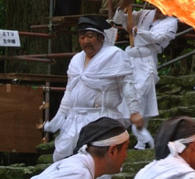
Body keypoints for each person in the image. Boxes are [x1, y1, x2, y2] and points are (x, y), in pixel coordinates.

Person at [44, 16, 143, 162]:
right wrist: (61, 115)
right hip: (75, 117)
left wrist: (134, 111)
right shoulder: (76, 59)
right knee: (61, 155)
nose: (86, 41)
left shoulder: (114, 55)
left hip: (101, 116)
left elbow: (127, 84)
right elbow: (70, 90)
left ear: (101, 38)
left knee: (95, 159)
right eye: (82, 37)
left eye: (90, 36)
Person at [114, 0, 178, 150]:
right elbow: (120, 19)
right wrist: (123, 5)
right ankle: (119, 134)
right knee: (123, 94)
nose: (160, 9)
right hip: (130, 59)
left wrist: (135, 30)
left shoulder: (171, 22)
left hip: (146, 60)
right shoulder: (145, 13)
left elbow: (157, 37)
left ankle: (142, 140)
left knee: (142, 95)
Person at [18, 117, 130, 179]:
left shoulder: (76, 167)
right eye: (125, 149)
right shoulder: (78, 173)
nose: (126, 155)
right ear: (112, 151)